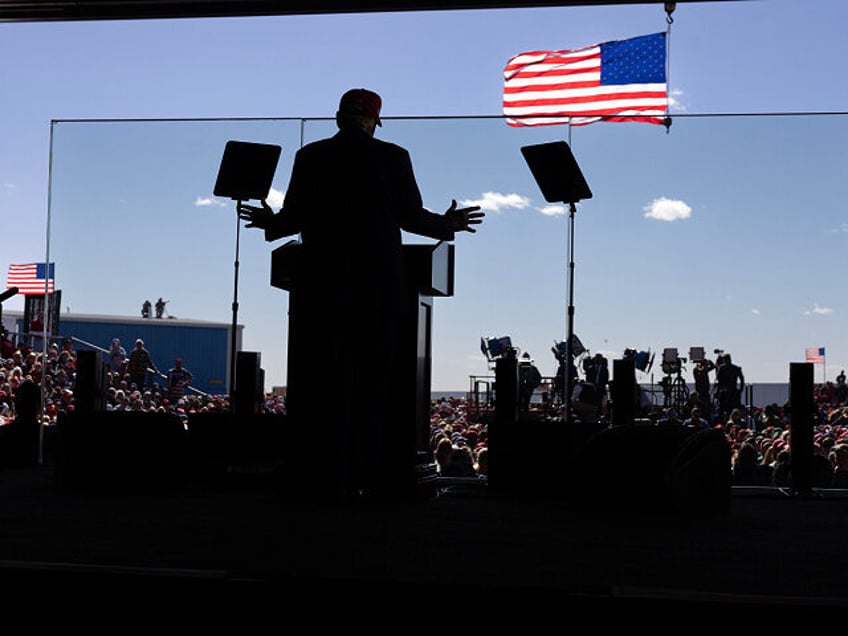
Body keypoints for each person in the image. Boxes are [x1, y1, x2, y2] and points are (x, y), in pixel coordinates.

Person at [238, 88, 483, 502]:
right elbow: (410, 217)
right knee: (372, 392)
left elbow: (292, 217)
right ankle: (365, 481)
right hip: (377, 295)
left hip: (319, 294)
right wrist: (449, 224)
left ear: (338, 118)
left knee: (323, 389)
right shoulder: (392, 157)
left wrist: (270, 222)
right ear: (373, 121)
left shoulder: (310, 156)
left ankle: (323, 479)